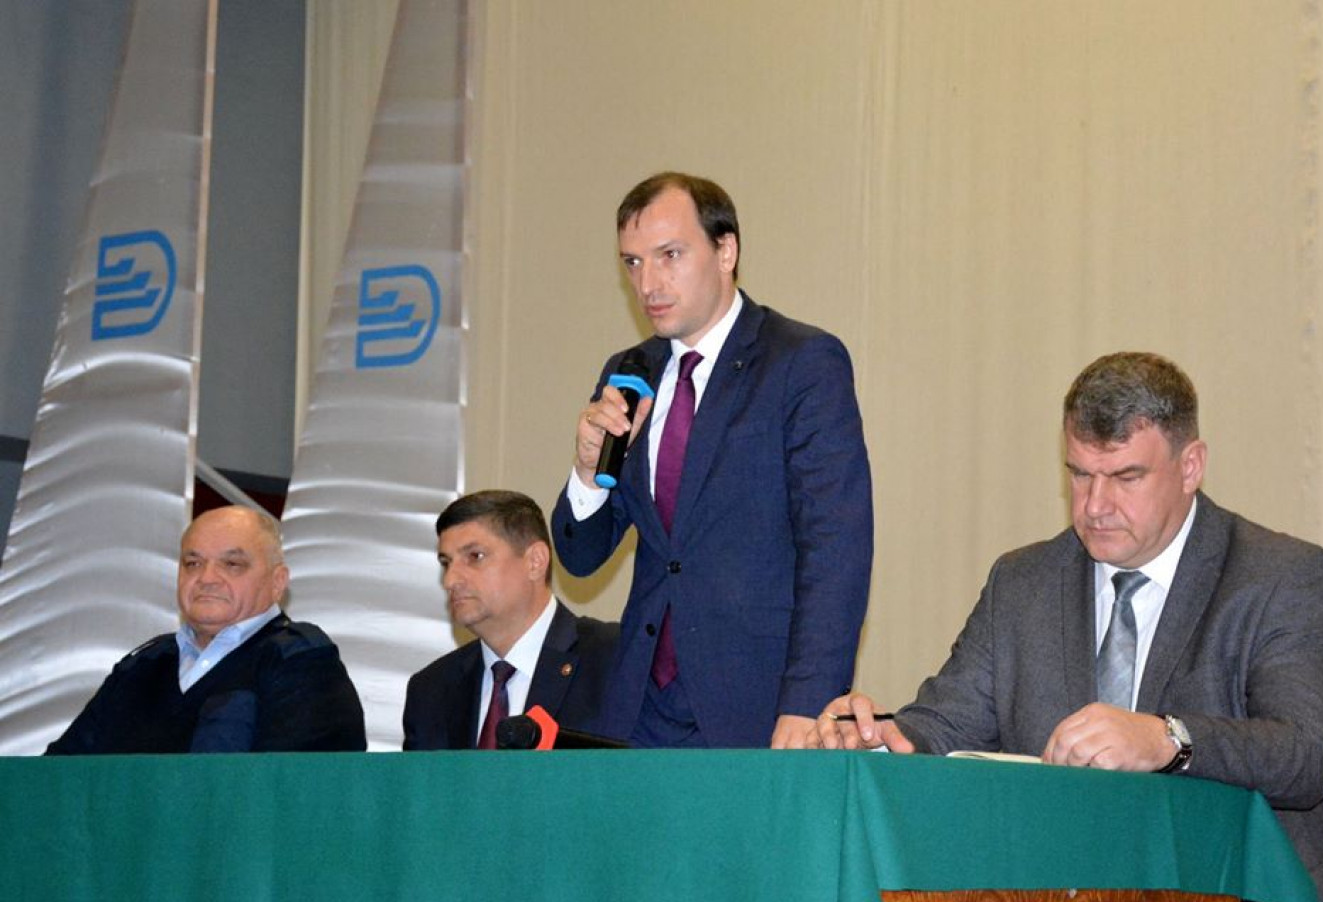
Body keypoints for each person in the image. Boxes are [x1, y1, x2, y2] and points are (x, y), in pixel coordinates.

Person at [811, 352, 1323, 902]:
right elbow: (944, 724)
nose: (1095, 505)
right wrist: (879, 739)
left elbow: (1302, 754)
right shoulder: (1023, 582)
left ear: (1191, 466)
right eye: (1079, 475)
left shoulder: (1279, 577)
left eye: (1125, 477)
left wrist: (1168, 738)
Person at [551, 171, 873, 749]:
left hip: (757, 702)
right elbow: (580, 557)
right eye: (632, 263)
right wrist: (586, 474)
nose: (648, 283)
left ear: (726, 251)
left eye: (669, 255)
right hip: (641, 705)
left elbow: (836, 549)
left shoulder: (801, 363)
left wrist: (807, 701)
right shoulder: (630, 372)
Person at [47, 505, 366, 754]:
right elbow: (57, 777)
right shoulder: (141, 666)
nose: (207, 578)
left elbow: (298, 791)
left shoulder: (300, 660)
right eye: (193, 563)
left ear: (277, 582)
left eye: (232, 564)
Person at [404, 490, 618, 750]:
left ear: (535, 562)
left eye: (474, 556)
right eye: (446, 563)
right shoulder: (430, 692)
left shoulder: (613, 659)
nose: (450, 580)